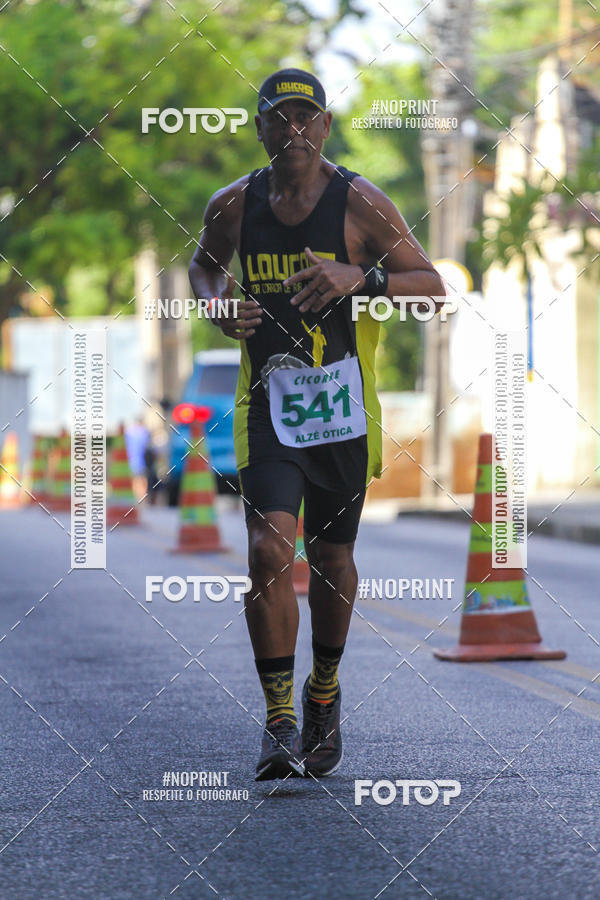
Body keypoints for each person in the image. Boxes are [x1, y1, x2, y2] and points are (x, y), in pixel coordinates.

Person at [188, 68, 445, 781]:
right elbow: (203, 267)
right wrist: (216, 305)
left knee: (331, 562)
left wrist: (362, 278)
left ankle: (322, 694)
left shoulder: (361, 202)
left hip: (340, 408)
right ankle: (278, 720)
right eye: (280, 117)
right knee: (268, 551)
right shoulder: (233, 205)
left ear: (326, 127)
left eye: (307, 118)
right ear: (260, 128)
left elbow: (433, 288)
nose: (294, 130)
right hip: (266, 405)